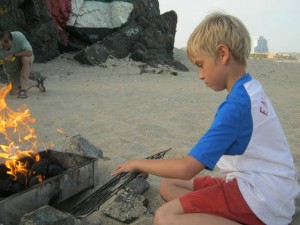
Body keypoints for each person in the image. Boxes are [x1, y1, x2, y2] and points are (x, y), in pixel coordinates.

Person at [112, 12, 300, 225]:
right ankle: (213, 213)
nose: (200, 75)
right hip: (273, 188)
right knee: (168, 184)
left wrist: (139, 163)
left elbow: (186, 168)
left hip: (261, 198)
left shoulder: (236, 108)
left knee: (165, 217)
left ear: (222, 53)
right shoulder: (251, 88)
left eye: (201, 64)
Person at [0, 31, 45, 98]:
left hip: (24, 60)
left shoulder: (18, 36)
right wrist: (3, 61)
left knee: (25, 59)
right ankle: (35, 82)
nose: (6, 49)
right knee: (13, 92)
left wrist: (13, 55)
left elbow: (29, 52)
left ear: (13, 40)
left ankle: (23, 90)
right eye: (4, 47)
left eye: (8, 47)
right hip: (12, 68)